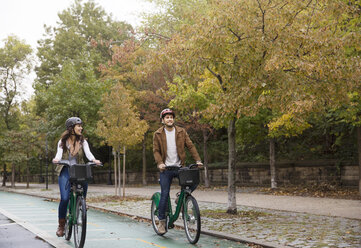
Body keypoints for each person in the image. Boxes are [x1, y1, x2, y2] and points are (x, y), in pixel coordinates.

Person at [153, 108, 203, 234]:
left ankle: (180, 198)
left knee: (194, 181)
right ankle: (162, 222)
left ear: (173, 119)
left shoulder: (181, 131)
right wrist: (160, 163)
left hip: (179, 167)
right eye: (167, 117)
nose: (169, 119)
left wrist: (198, 160)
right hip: (166, 169)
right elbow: (156, 151)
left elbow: (190, 146)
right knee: (164, 194)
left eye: (171, 117)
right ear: (163, 120)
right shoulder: (158, 134)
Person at [52, 117, 101, 237]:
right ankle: (61, 225)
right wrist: (57, 159)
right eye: (78, 126)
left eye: (81, 126)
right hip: (65, 170)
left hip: (78, 169)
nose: (81, 128)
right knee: (64, 199)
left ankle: (81, 202)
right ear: (71, 128)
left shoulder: (83, 141)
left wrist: (94, 160)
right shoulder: (62, 142)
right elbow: (58, 154)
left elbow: (88, 154)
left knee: (84, 183)